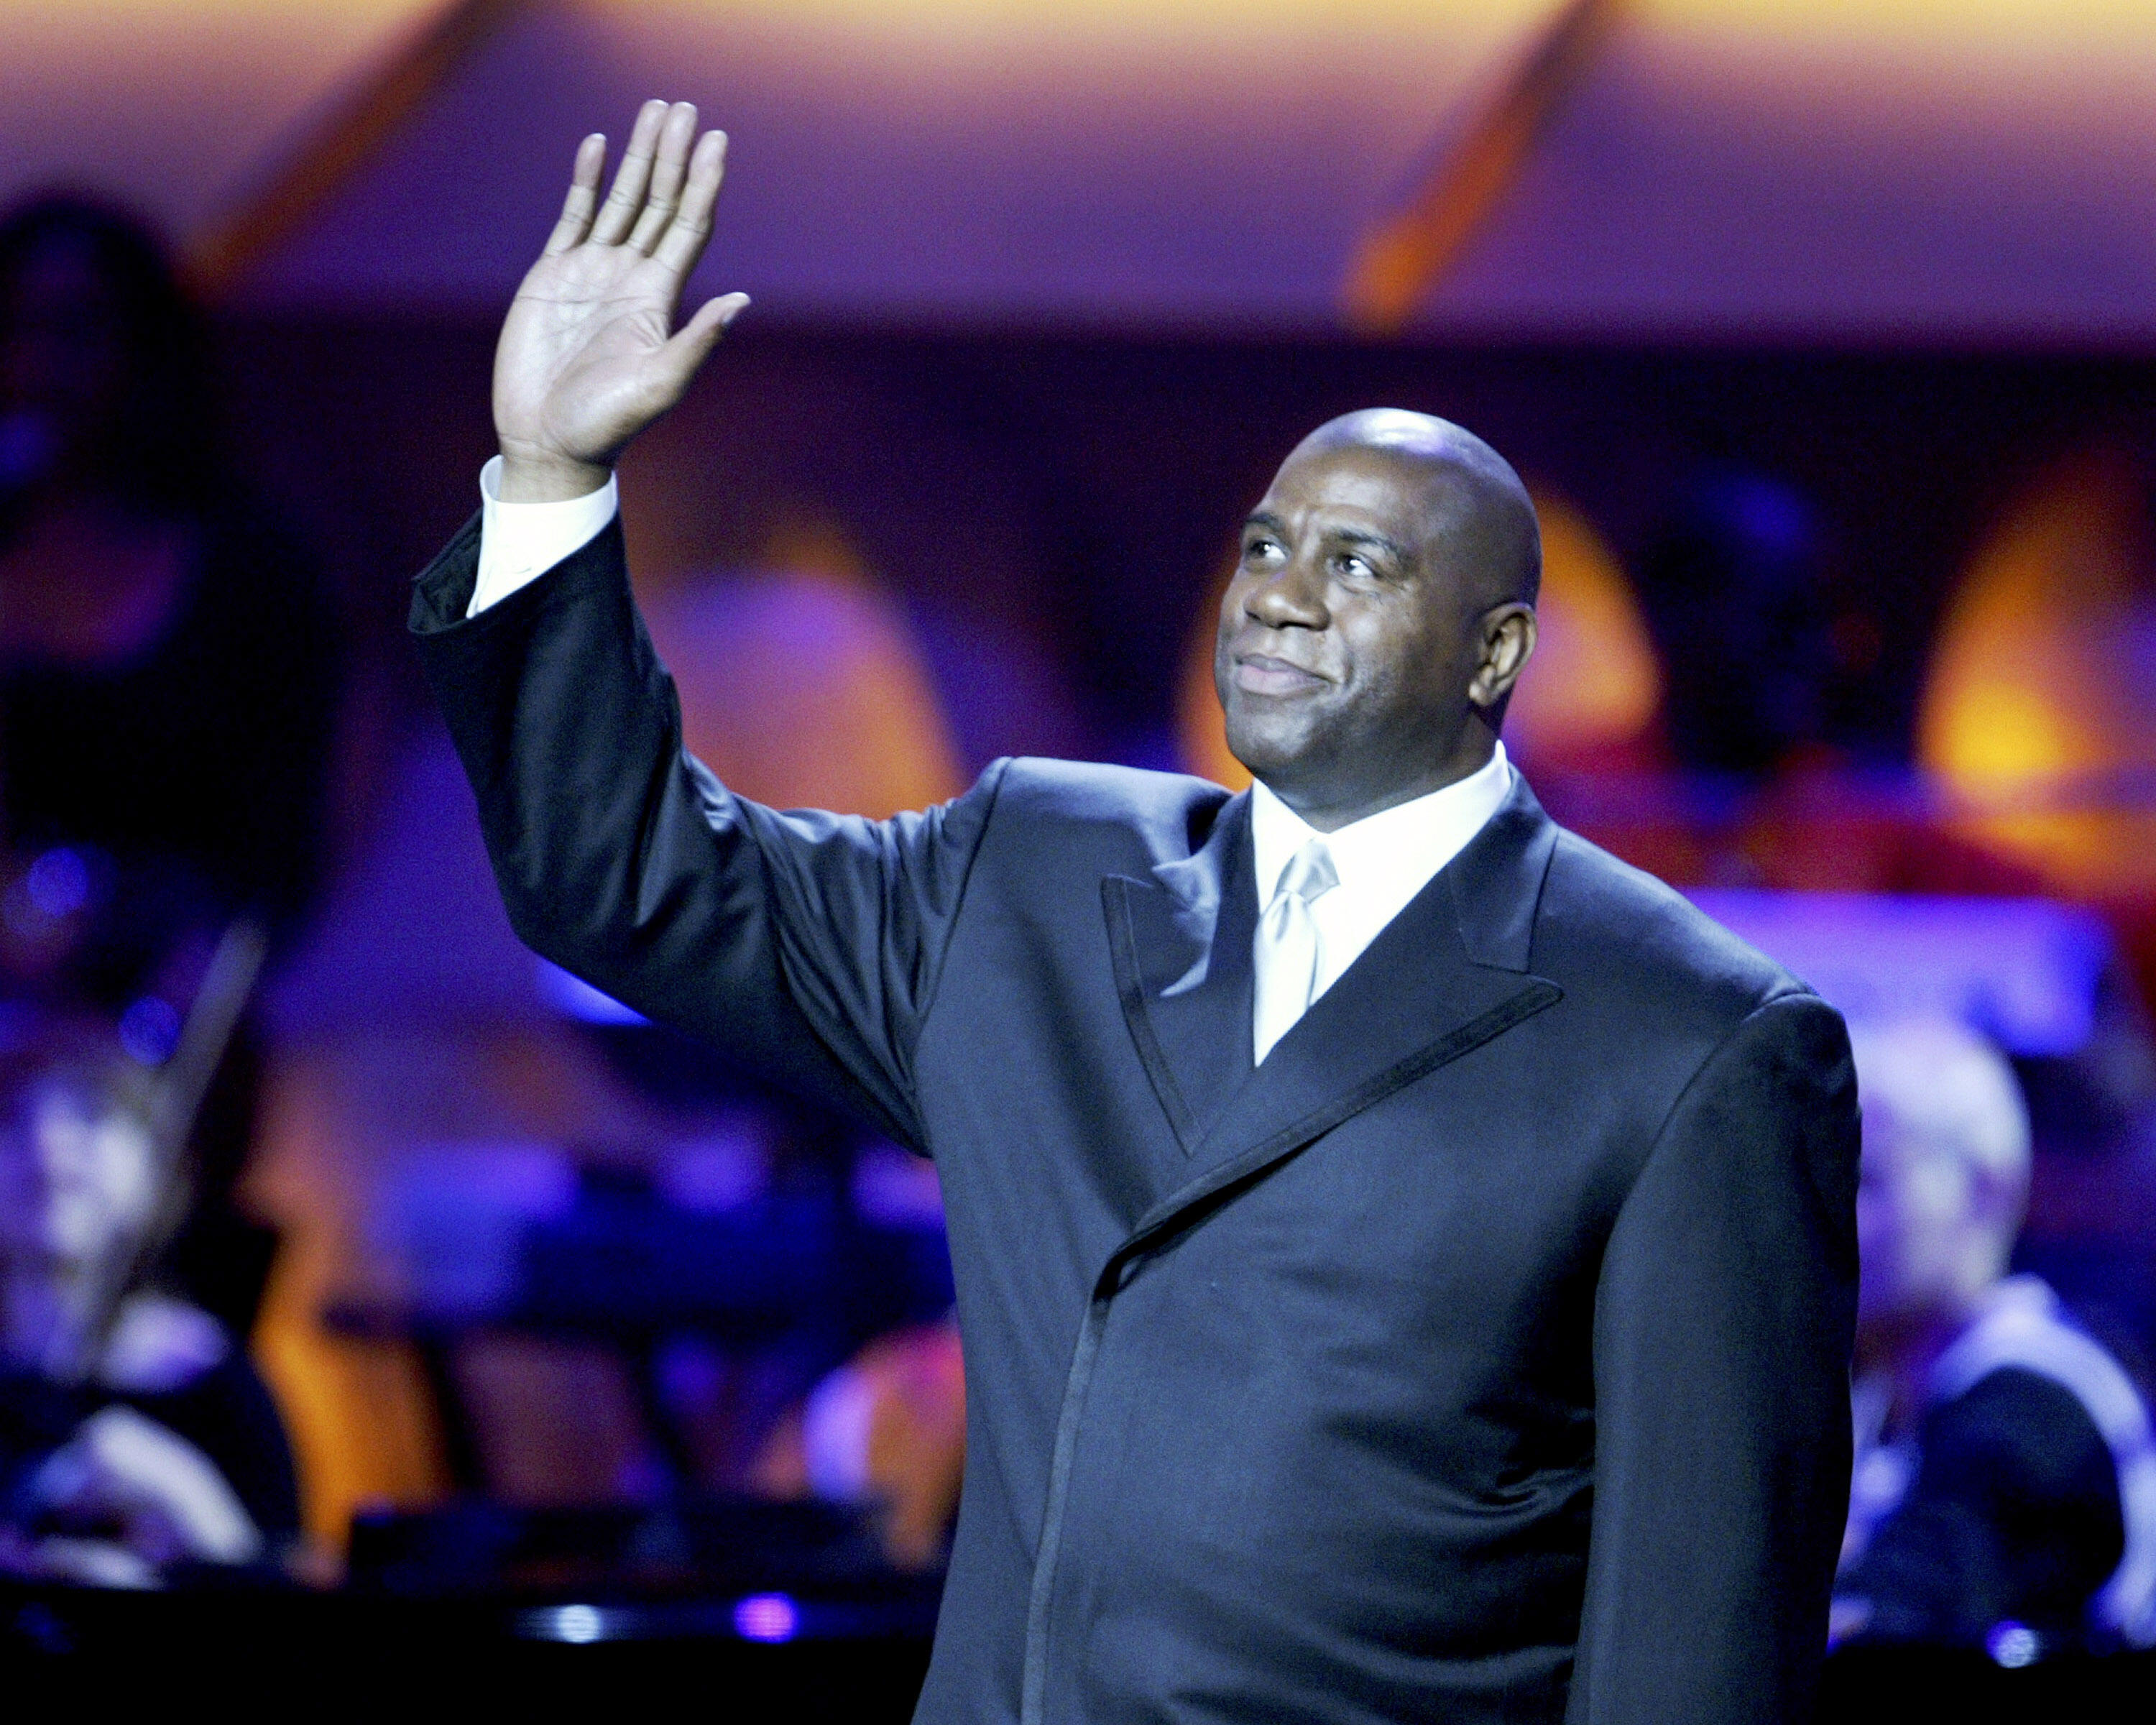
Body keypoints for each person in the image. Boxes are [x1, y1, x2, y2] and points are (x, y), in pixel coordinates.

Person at [413, 101, 1858, 1723]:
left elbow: (1696, 1656)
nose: (1279, 592)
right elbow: (626, 878)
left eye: (1359, 563)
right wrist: (550, 478)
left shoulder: (1688, 1041)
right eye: (1263, 546)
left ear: (1497, 652)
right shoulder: (1031, 877)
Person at [1834, 1016, 2156, 1657]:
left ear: (1985, 1191)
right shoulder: (1884, 1387)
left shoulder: (2033, 1403)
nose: (1832, 1208)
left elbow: (1890, 1635)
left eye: (1867, 1179)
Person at [0, 1014, 300, 1586]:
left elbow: (284, 1611)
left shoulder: (207, 1376)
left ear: (154, 1165)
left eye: (92, 1115)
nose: (48, 1145)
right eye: (10, 1118)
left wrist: (186, 1494)